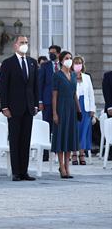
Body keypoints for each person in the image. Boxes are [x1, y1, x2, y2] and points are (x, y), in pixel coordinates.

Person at [0, 36, 38, 182]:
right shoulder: (8, 63)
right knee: (15, 140)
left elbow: (34, 86)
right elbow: (3, 87)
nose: (24, 45)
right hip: (14, 108)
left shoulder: (32, 63)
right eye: (22, 43)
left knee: (25, 140)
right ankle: (16, 171)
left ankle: (24, 171)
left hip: (28, 107)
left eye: (26, 42)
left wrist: (35, 103)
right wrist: (4, 106)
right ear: (15, 45)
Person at [51, 51, 82, 179]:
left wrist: (79, 110)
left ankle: (67, 167)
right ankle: (61, 167)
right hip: (61, 108)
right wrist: (54, 113)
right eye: (67, 58)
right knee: (61, 137)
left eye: (70, 58)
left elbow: (75, 94)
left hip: (71, 108)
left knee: (69, 138)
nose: (69, 60)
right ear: (61, 60)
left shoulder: (74, 75)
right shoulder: (57, 75)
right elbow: (54, 95)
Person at [71, 56, 95, 166]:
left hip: (85, 108)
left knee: (84, 132)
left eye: (79, 63)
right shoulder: (70, 76)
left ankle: (82, 154)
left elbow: (91, 94)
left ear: (82, 64)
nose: (77, 64)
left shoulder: (87, 77)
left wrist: (92, 109)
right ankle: (74, 154)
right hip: (74, 107)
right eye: (75, 63)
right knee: (74, 130)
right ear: (72, 64)